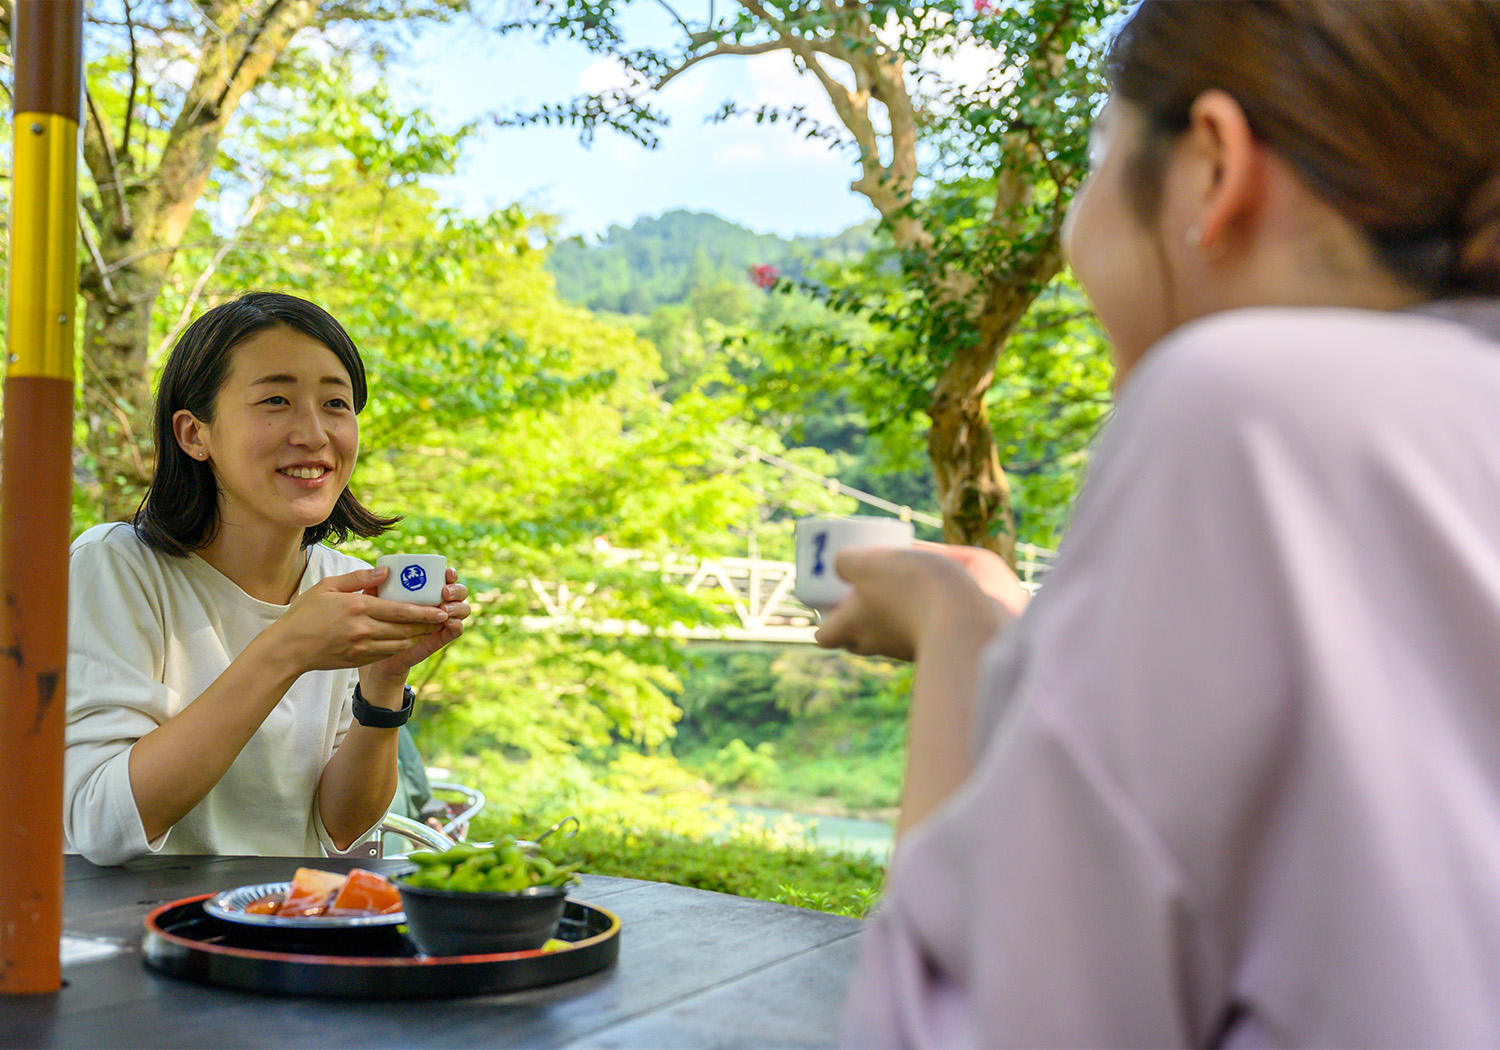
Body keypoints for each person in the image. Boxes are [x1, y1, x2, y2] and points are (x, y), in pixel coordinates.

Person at [819, 2, 1500, 1045]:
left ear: (1214, 166)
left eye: (1099, 153)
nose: (1078, 221)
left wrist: (958, 632)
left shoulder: (1249, 408)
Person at [65, 292, 471, 866]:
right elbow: (99, 822)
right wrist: (287, 649)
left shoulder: (346, 584)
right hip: (136, 940)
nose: (313, 433)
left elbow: (338, 831)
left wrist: (382, 682)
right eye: (276, 400)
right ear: (193, 434)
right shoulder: (115, 567)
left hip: (285, 929)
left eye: (336, 403)